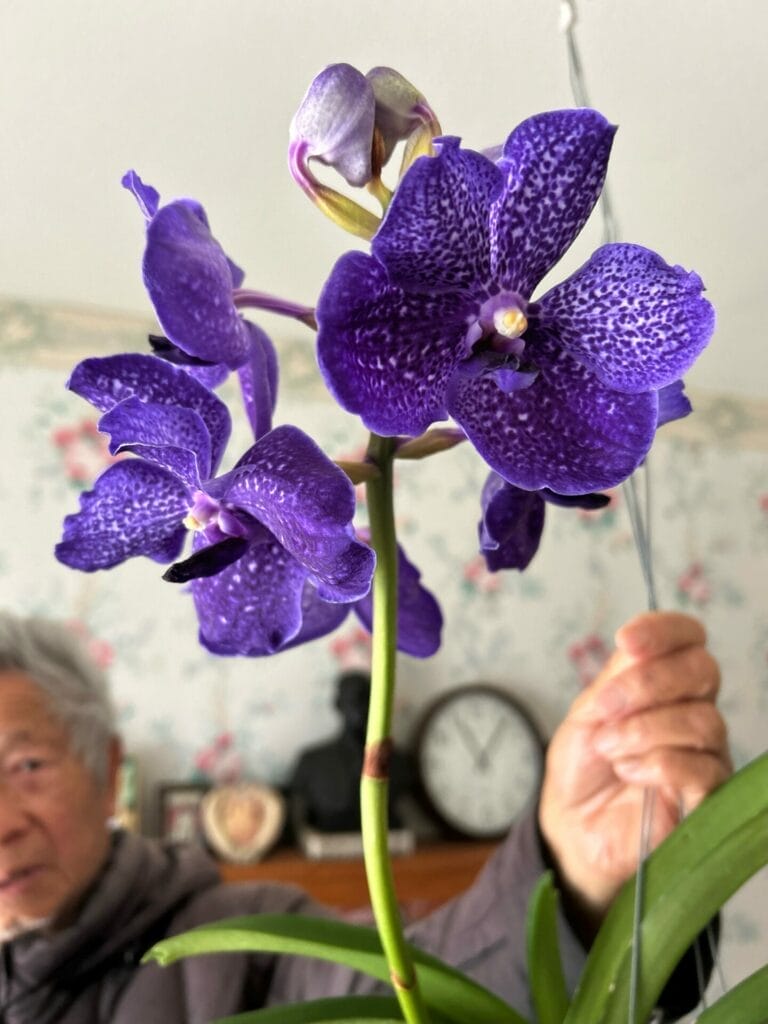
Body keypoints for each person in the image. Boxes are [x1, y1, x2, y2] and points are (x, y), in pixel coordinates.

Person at [0, 610, 729, 1023]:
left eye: (25, 767)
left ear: (107, 772)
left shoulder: (234, 940)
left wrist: (569, 881)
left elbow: (410, 982)